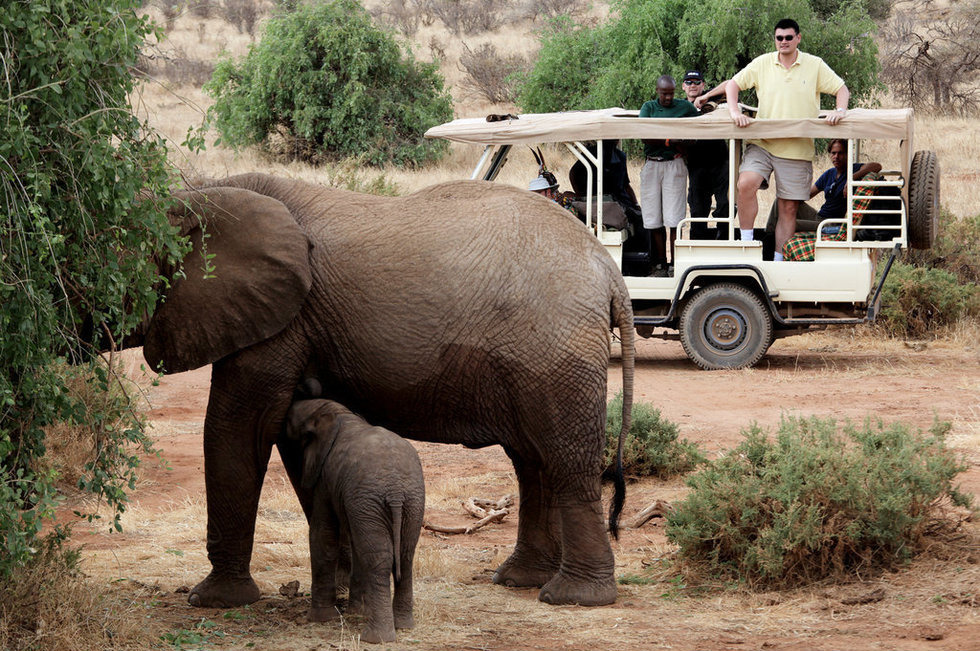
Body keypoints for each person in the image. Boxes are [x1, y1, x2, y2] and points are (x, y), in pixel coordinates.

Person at [721, 18, 850, 260]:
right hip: (763, 143)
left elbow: (841, 89)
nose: (783, 42)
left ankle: (780, 262)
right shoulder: (763, 63)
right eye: (779, 38)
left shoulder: (814, 64)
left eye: (788, 37)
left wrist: (839, 111)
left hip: (797, 148)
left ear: (798, 38)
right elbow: (733, 85)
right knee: (746, 183)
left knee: (788, 207)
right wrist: (734, 112)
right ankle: (747, 248)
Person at [781, 139, 882, 261]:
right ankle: (768, 237)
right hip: (818, 216)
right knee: (780, 203)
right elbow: (807, 195)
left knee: (787, 222)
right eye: (833, 153)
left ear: (847, 154)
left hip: (831, 223)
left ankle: (777, 254)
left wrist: (851, 179)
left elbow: (877, 166)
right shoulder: (829, 173)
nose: (836, 157)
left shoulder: (854, 169)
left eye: (841, 153)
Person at [639, 75, 699, 274]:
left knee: (674, 218)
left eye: (671, 93)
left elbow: (696, 134)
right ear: (657, 91)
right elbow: (646, 137)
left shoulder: (685, 108)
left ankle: (675, 263)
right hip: (652, 165)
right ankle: (660, 263)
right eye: (664, 94)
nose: (667, 98)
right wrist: (670, 140)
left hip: (675, 164)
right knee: (653, 218)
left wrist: (678, 143)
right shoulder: (648, 108)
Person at [680, 69, 731, 240]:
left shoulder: (714, 100)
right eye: (688, 82)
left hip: (720, 162)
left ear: (703, 85)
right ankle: (696, 250)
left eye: (696, 82)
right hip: (696, 165)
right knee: (697, 209)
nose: (692, 85)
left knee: (725, 205)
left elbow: (731, 84)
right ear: (683, 86)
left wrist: (706, 97)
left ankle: (724, 242)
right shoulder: (679, 107)